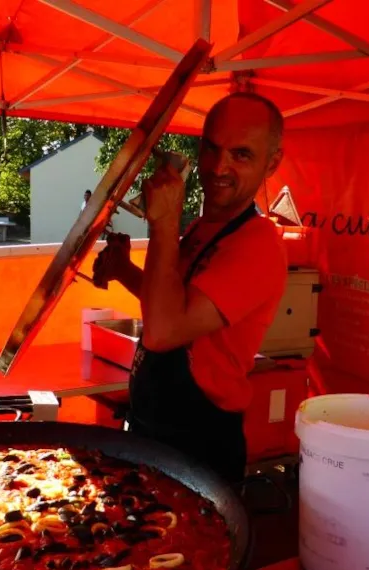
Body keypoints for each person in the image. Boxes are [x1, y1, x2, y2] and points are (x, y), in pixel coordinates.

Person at [93, 92, 288, 483]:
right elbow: (175, 306)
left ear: (272, 163)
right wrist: (124, 270)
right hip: (152, 427)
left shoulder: (258, 244)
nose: (219, 167)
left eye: (241, 154)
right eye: (211, 148)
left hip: (200, 443)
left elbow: (164, 332)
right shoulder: (203, 228)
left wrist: (164, 221)